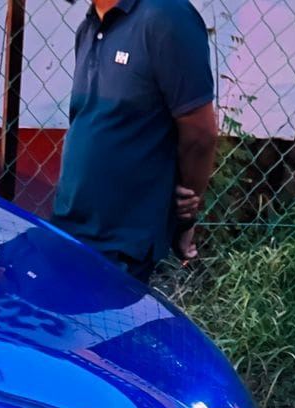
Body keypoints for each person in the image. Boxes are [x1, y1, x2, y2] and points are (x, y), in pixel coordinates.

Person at [53, 0, 219, 283]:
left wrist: (185, 216)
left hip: (123, 244)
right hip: (69, 225)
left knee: (104, 324)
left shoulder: (166, 17)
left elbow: (200, 133)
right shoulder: (88, 27)